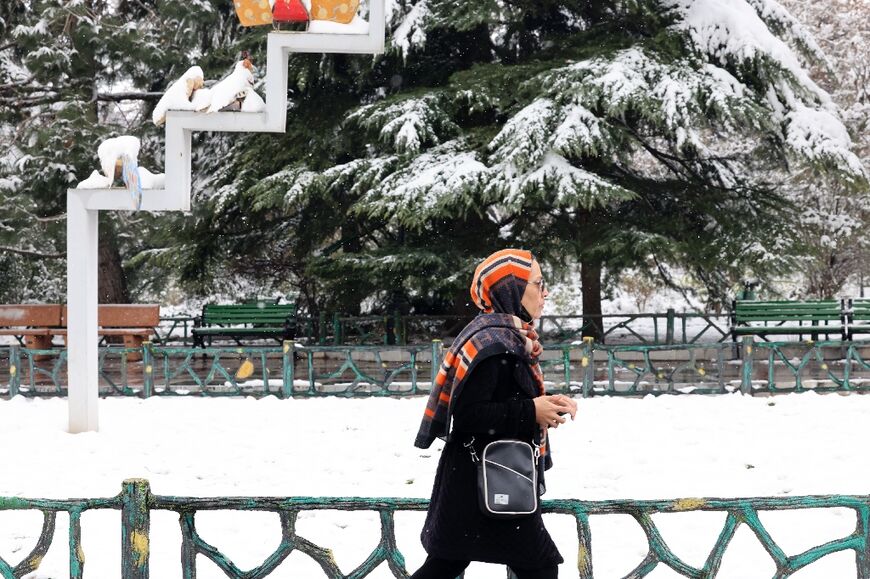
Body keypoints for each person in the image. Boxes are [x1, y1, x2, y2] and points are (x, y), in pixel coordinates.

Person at [412, 249, 578, 579]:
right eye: (538, 283)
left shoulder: (506, 338)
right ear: (511, 289)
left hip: (489, 477)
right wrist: (531, 410)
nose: (545, 293)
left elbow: (503, 398)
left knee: (446, 565)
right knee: (539, 567)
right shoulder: (493, 345)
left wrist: (546, 404)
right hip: (487, 479)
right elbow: (470, 415)